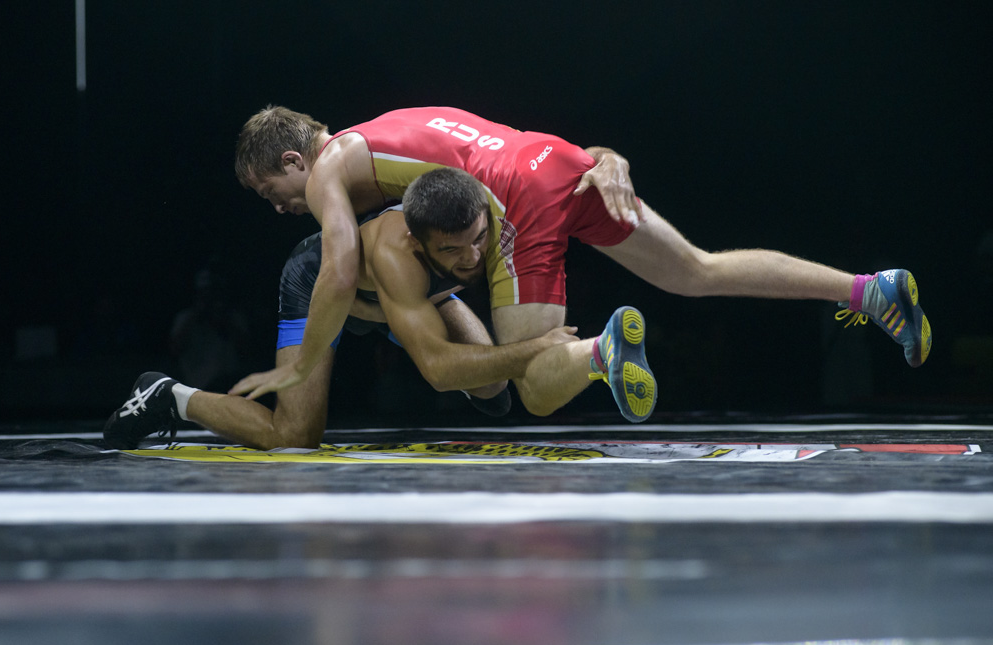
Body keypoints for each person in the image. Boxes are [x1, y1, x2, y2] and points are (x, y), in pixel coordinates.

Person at [230, 105, 931, 420]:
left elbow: (338, 269)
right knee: (697, 269)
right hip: (558, 158)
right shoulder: (383, 128)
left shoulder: (329, 169)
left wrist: (299, 364)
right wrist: (602, 155)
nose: (279, 206)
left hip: (517, 199)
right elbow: (501, 146)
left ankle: (600, 350)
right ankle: (870, 291)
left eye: (270, 191)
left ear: (292, 159)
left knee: (534, 385)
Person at [104, 207, 577, 450]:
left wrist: (604, 160)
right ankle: (169, 395)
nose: (471, 257)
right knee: (294, 438)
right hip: (325, 283)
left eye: (477, 243)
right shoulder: (400, 248)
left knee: (493, 389)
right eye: (456, 250)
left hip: (400, 293)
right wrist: (537, 348)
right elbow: (440, 370)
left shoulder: (492, 215)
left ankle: (394, 312)